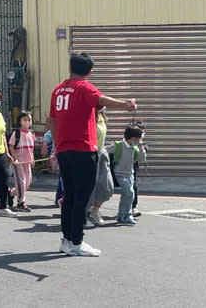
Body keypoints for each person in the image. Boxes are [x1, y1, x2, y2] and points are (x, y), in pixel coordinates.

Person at [48, 52, 136, 258]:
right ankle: (76, 241)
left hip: (64, 150)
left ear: (71, 67)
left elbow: (51, 120)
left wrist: (56, 146)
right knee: (82, 197)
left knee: (69, 196)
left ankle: (66, 240)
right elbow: (101, 99)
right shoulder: (85, 88)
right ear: (89, 71)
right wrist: (126, 105)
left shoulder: (58, 90)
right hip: (83, 150)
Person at [108, 125, 147, 225]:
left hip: (130, 174)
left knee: (130, 195)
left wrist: (141, 149)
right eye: (138, 138)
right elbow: (104, 151)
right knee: (129, 192)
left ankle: (126, 215)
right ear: (133, 138)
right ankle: (122, 215)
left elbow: (142, 160)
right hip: (119, 173)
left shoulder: (135, 148)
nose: (139, 140)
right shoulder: (119, 145)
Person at [86, 107, 114, 227]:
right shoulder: (87, 116)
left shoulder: (102, 116)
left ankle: (94, 211)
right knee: (89, 187)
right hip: (90, 153)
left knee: (108, 186)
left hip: (102, 153)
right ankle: (83, 215)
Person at [8, 110, 36, 213]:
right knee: (21, 183)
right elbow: (11, 146)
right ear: (20, 121)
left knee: (27, 183)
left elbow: (31, 148)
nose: (27, 122)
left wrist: (32, 158)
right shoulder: (16, 133)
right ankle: (21, 202)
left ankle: (11, 193)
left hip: (27, 162)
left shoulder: (31, 133)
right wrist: (14, 158)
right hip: (18, 162)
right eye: (25, 120)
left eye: (29, 119)